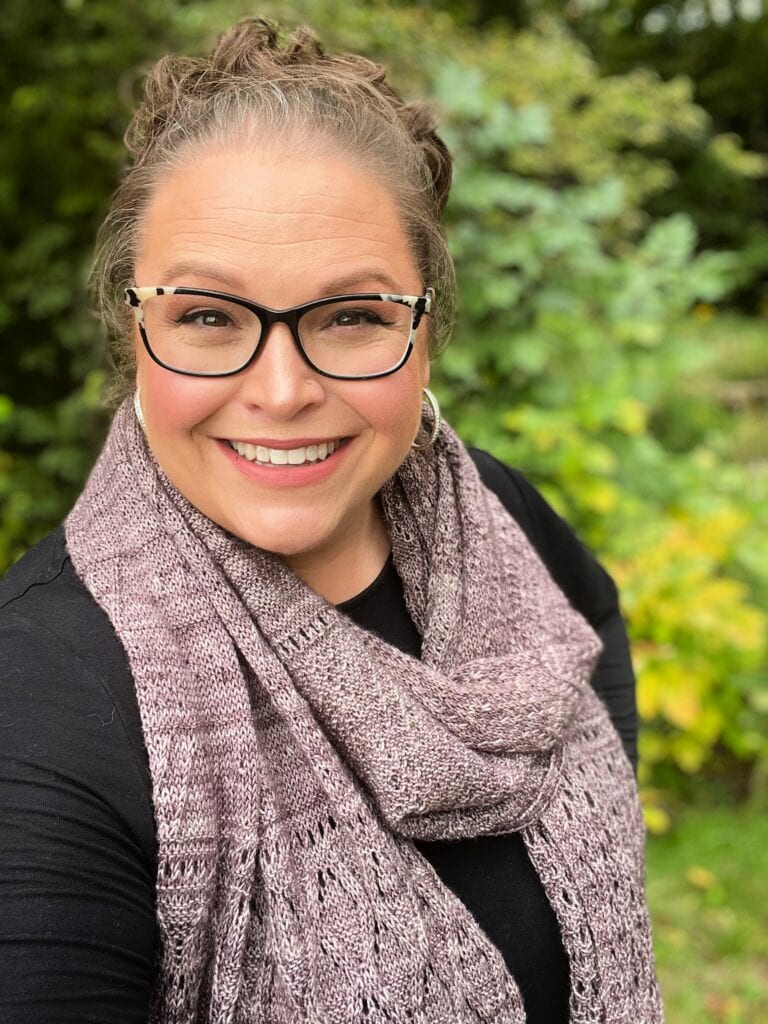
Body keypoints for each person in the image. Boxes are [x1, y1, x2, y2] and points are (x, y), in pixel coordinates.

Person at [0, 18, 663, 1024]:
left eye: (350, 316)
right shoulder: (43, 700)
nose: (281, 390)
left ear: (423, 329)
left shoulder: (491, 518)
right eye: (209, 316)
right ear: (135, 328)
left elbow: (594, 627)